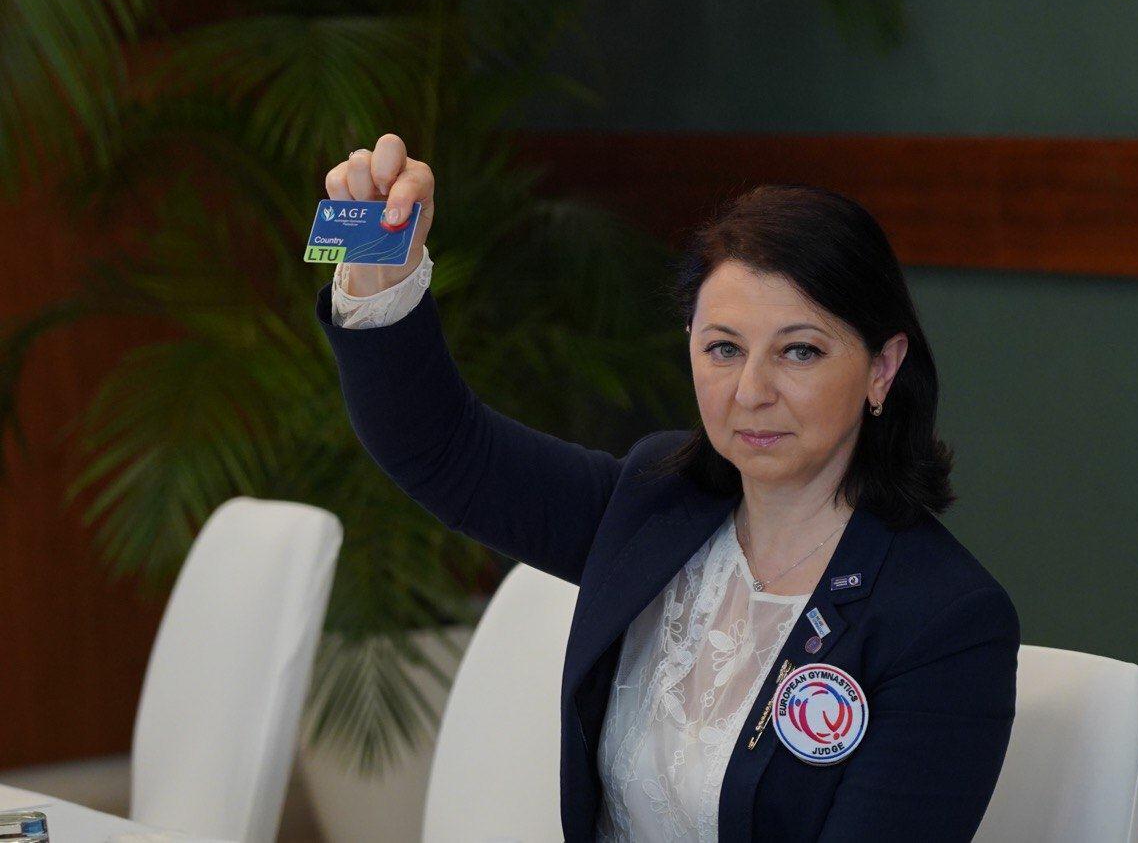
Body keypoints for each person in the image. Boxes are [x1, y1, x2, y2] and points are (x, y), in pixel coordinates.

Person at [315, 132, 1020, 842]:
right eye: (724, 348)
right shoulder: (656, 500)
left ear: (882, 368)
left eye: (799, 351)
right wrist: (379, 265)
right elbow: (440, 448)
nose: (751, 390)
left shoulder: (945, 621)